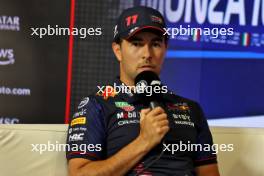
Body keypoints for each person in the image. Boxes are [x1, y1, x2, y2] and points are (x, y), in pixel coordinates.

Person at [66, 6, 220, 176]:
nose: (147, 54)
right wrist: (144, 141)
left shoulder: (191, 109)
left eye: (155, 44)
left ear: (165, 49)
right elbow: (79, 173)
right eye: (137, 43)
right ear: (118, 51)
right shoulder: (96, 105)